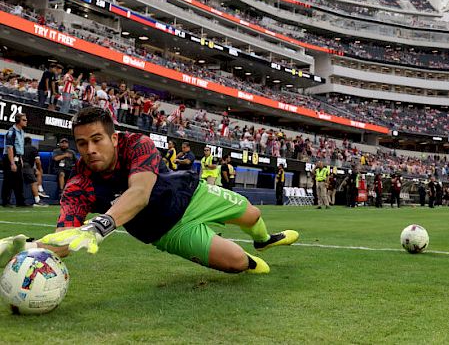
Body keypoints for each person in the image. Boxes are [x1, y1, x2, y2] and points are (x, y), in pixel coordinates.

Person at [0, 107, 299, 274]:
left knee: (252, 214)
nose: (90, 150)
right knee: (237, 263)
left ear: (114, 138)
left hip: (192, 196)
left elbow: (139, 193)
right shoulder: (78, 186)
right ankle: (241, 253)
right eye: (82, 143)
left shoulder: (137, 144)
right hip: (165, 231)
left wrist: (99, 225)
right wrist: (27, 247)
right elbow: (63, 241)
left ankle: (263, 240)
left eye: (97, 139)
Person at [1, 113, 28, 207]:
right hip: (9, 158)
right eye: (24, 120)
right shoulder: (11, 132)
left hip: (17, 157)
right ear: (18, 121)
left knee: (19, 181)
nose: (26, 121)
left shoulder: (21, 132)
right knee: (8, 180)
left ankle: (20, 202)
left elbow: (19, 147)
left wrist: (20, 159)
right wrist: (12, 163)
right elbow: (9, 148)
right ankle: (5, 201)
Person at [22, 137, 48, 207]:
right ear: (31, 142)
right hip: (26, 166)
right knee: (34, 182)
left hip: (20, 166)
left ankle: (40, 189)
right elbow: (38, 161)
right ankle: (37, 201)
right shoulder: (33, 148)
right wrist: (40, 168)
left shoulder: (21, 148)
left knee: (38, 173)